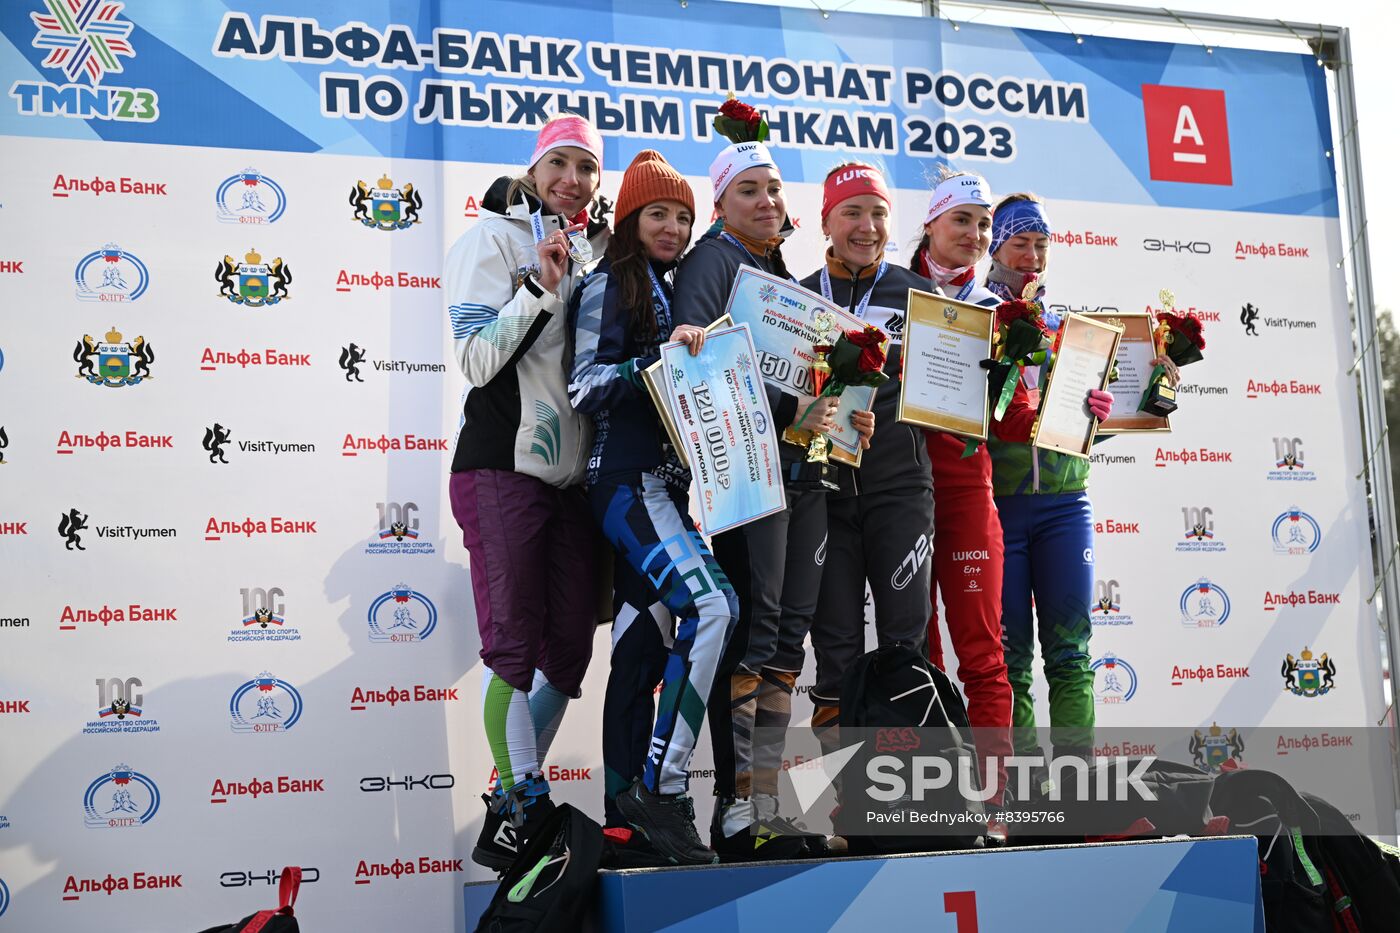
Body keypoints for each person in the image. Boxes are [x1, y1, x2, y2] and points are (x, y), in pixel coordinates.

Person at [671, 106, 869, 860]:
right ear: (720, 204)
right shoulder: (712, 262)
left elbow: (803, 373)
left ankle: (766, 802)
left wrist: (847, 420)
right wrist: (798, 405)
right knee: (757, 638)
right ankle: (735, 807)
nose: (765, 201)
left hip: (808, 473)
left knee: (788, 641)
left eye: (774, 189)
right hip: (753, 478)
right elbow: (700, 365)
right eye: (747, 190)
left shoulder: (779, 272)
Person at [443, 113, 609, 870]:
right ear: (536, 168)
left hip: (571, 482)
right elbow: (477, 360)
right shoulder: (492, 238)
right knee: (512, 645)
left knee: (569, 649)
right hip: (499, 469)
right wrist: (540, 289)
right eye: (560, 164)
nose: (572, 180)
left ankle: (516, 793)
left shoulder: (597, 248)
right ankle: (522, 802)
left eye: (586, 168)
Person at [568, 149, 740, 866]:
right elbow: (585, 385)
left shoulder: (667, 289)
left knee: (640, 652)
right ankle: (663, 792)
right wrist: (656, 362)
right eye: (656, 214)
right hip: (628, 483)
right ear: (629, 219)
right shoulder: (612, 283)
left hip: (664, 487)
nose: (670, 227)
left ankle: (623, 818)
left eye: (681, 216)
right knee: (715, 609)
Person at [799, 163, 941, 758]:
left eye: (878, 212)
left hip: (899, 492)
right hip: (823, 495)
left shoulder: (921, 295)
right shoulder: (800, 295)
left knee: (906, 646)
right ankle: (848, 806)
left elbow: (953, 400)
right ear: (826, 221)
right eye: (852, 212)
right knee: (835, 654)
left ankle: (913, 801)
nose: (866, 225)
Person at [982, 193, 1118, 769]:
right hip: (1002, 505)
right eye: (1020, 244)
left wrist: (1104, 416)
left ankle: (1078, 788)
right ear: (996, 247)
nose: (1032, 257)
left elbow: (1085, 426)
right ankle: (1025, 789)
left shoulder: (1069, 328)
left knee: (1070, 652)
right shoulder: (975, 318)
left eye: (1042, 245)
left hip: (1066, 503)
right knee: (1010, 659)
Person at [912, 170, 1016, 808]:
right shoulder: (894, 295)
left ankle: (994, 803)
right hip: (899, 493)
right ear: (931, 225)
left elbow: (1012, 418)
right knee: (917, 651)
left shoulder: (1000, 313)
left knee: (981, 648)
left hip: (966, 491)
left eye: (983, 225)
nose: (974, 236)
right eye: (962, 221)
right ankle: (930, 800)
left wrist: (1083, 407)